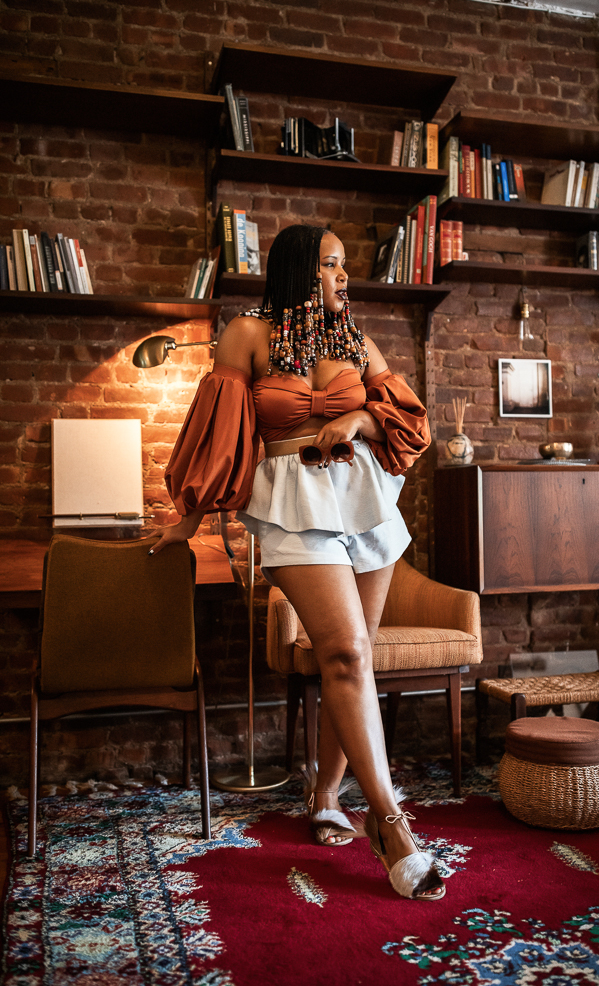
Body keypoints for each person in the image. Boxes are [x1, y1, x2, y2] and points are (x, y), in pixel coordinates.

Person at [148, 224, 444, 901]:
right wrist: (187, 518)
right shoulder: (246, 335)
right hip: (290, 504)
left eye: (344, 267)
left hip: (363, 500)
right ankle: (389, 823)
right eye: (331, 266)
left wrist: (360, 423)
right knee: (342, 653)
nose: (344, 278)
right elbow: (221, 435)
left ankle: (324, 791)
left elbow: (407, 424)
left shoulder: (356, 343)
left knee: (356, 655)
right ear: (297, 271)